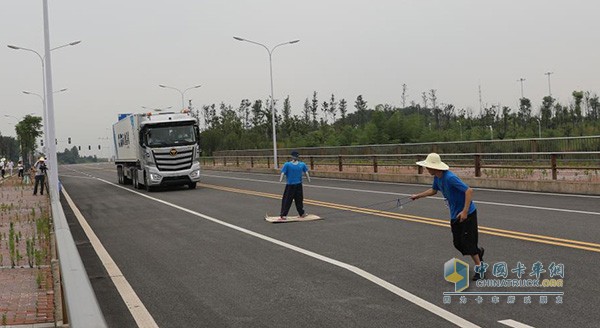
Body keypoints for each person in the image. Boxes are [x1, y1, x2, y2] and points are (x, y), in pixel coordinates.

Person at [410, 153, 485, 280]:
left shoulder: (450, 177)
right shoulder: (437, 178)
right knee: (458, 243)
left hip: (468, 214)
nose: (427, 169)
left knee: (468, 242)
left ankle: (480, 267)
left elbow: (469, 191)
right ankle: (478, 251)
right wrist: (418, 196)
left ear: (435, 167)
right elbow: (433, 190)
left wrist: (465, 211)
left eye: (428, 167)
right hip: (455, 214)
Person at [279, 151, 310, 220]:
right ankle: (284, 214)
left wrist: (308, 179)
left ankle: (301, 213)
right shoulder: (288, 164)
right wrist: (280, 179)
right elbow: (283, 173)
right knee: (288, 200)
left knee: (298, 200)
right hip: (291, 185)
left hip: (297, 185)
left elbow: (306, 172)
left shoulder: (301, 164)